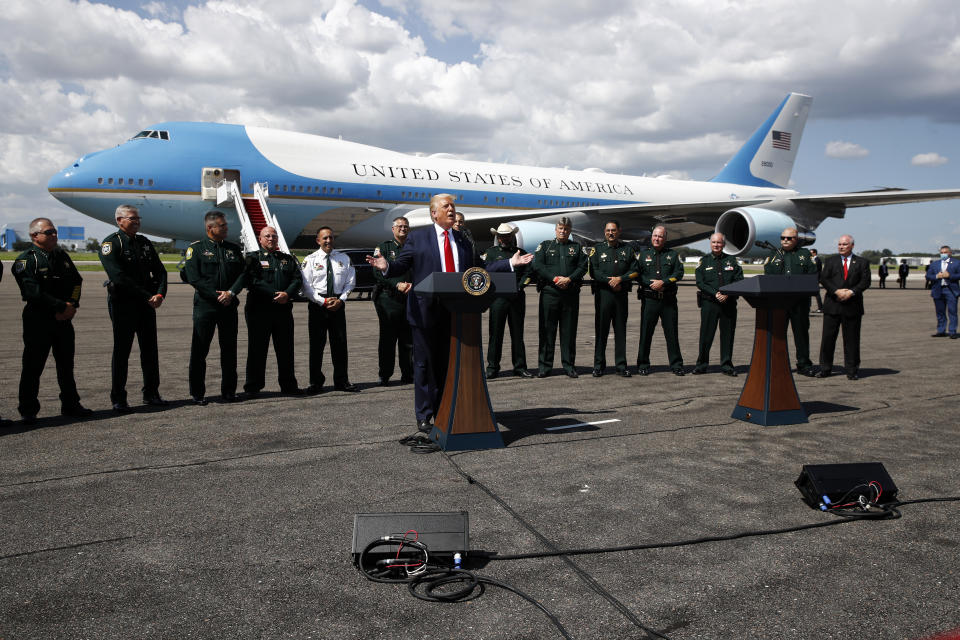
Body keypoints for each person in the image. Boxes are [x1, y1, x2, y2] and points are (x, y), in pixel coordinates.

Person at [365, 193, 531, 432]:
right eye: (446, 207)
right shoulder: (418, 237)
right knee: (423, 365)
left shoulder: (463, 239)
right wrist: (386, 266)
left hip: (456, 312)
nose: (452, 210)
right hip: (424, 310)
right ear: (434, 213)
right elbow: (402, 265)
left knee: (447, 364)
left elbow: (480, 268)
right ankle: (424, 415)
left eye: (453, 206)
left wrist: (510, 264)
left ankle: (445, 409)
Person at [12, 218, 92, 423]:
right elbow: (32, 292)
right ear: (34, 236)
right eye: (49, 232)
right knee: (33, 366)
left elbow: (77, 281)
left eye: (55, 231)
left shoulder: (61, 256)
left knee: (66, 365)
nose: (54, 235)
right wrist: (60, 306)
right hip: (38, 320)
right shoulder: (26, 260)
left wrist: (72, 305)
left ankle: (71, 404)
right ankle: (28, 409)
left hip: (64, 319)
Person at [99, 204, 168, 412]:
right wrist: (149, 295)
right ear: (119, 220)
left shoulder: (144, 243)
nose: (137, 222)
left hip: (147, 304)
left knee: (150, 350)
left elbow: (160, 271)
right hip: (124, 304)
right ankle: (118, 398)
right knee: (122, 352)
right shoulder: (111, 244)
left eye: (138, 218)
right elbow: (119, 278)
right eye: (132, 218)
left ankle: (151, 393)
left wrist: (160, 294)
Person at [183, 210, 246, 405]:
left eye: (226, 225)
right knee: (200, 350)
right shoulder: (197, 249)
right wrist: (217, 295)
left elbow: (243, 274)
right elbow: (194, 278)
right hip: (206, 307)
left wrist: (231, 293)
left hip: (228, 306)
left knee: (229, 349)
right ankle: (197, 392)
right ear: (210, 228)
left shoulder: (233, 249)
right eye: (222, 225)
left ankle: (229, 391)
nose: (226, 228)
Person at [240, 226, 303, 397]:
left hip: (282, 310)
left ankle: (289, 385)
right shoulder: (252, 258)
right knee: (257, 349)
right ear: (260, 239)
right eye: (267, 236)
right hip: (259, 310)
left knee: (286, 349)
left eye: (274, 236)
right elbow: (252, 280)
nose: (271, 239)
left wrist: (287, 294)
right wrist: (276, 294)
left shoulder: (287, 259)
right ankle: (253, 387)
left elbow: (297, 279)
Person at [301, 226, 358, 393]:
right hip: (318, 306)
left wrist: (341, 299)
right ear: (318, 240)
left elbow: (351, 282)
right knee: (316, 346)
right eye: (324, 238)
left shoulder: (344, 258)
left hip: (338, 305)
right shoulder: (310, 259)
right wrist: (323, 301)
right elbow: (306, 286)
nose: (328, 241)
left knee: (340, 345)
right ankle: (315, 383)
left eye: (331, 238)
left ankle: (342, 381)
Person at [531, 217, 588, 378]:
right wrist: (554, 279)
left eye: (566, 229)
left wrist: (569, 279)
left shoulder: (576, 247)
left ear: (570, 231)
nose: (563, 231)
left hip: (569, 294)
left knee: (568, 332)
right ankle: (544, 366)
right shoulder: (545, 246)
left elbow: (583, 266)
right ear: (556, 229)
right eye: (560, 228)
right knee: (547, 330)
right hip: (550, 294)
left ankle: (569, 365)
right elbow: (538, 265)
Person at [763, 227, 817, 376]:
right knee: (778, 335)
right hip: (779, 303)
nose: (785, 240)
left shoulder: (804, 254)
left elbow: (812, 274)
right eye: (783, 238)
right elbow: (768, 274)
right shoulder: (774, 254)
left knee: (801, 334)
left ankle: (804, 364)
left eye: (789, 238)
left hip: (799, 303)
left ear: (796, 239)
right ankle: (778, 364)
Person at [816, 235, 871, 379]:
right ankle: (825, 368)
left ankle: (852, 370)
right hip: (832, 305)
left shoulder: (862, 262)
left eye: (845, 244)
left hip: (852, 306)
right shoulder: (830, 261)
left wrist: (851, 292)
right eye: (839, 244)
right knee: (828, 339)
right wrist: (836, 291)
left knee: (852, 340)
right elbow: (824, 279)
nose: (841, 246)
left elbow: (865, 282)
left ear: (852, 245)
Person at [589, 220, 638, 377]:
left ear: (619, 231)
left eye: (614, 230)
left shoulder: (628, 250)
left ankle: (621, 365)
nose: (611, 233)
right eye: (608, 230)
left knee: (620, 331)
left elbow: (635, 270)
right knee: (601, 331)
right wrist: (610, 281)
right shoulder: (597, 249)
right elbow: (593, 271)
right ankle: (598, 365)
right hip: (604, 295)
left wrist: (621, 279)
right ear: (605, 232)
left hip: (621, 295)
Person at [483, 223, 532, 378]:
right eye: (502, 236)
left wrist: (520, 286)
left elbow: (529, 273)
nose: (505, 238)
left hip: (516, 297)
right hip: (497, 298)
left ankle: (520, 366)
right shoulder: (490, 253)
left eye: (507, 235)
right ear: (498, 237)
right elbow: (486, 270)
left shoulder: (521, 253)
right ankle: (492, 367)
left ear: (512, 236)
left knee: (517, 334)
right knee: (495, 334)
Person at [635, 225, 685, 376]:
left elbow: (679, 273)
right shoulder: (643, 255)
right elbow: (638, 274)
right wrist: (651, 284)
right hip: (650, 300)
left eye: (660, 236)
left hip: (668, 301)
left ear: (665, 238)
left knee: (672, 334)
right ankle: (643, 364)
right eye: (655, 236)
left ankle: (676, 365)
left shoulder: (672, 255)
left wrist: (664, 282)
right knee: (645, 333)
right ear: (651, 237)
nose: (657, 239)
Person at [693, 233, 743, 376]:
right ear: (710, 243)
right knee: (706, 335)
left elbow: (739, 279)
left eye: (719, 242)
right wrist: (716, 293)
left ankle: (727, 365)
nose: (716, 245)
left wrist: (728, 293)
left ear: (723, 244)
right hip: (710, 303)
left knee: (728, 335)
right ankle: (701, 365)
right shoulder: (704, 261)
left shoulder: (732, 261)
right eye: (714, 242)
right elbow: (700, 282)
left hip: (729, 303)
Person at [373, 217, 414, 386]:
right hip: (389, 299)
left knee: (408, 340)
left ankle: (408, 374)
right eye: (399, 226)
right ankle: (385, 374)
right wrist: (396, 284)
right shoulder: (384, 247)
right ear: (393, 229)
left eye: (405, 226)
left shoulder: (412, 248)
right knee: (388, 340)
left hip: (409, 298)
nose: (403, 229)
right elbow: (377, 274)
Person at [925, 245, 960, 338]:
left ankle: (952, 331)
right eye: (941, 253)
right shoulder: (935, 264)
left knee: (952, 311)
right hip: (938, 290)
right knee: (940, 312)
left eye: (945, 252)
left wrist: (950, 275)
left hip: (951, 290)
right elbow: (928, 276)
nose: (943, 254)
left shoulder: (957, 263)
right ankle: (941, 330)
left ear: (950, 253)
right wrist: (936, 276)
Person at [809, 248, 824, 313]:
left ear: (814, 253)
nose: (810, 254)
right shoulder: (812, 259)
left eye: (811, 253)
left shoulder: (817, 260)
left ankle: (820, 308)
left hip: (815, 278)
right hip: (811, 278)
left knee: (817, 294)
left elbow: (816, 269)